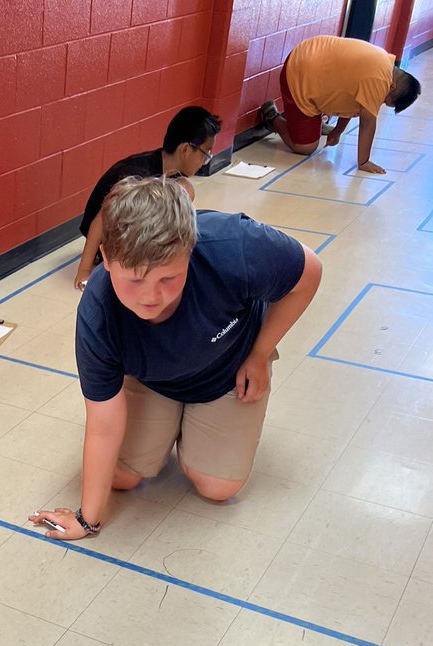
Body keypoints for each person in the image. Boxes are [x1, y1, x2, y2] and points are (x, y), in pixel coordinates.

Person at [29, 177, 322, 541]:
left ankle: (191, 429)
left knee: (217, 488)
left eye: (169, 278)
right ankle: (170, 420)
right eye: (134, 280)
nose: (150, 297)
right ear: (106, 257)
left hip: (229, 368)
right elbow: (103, 424)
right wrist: (88, 520)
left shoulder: (235, 245)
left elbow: (310, 271)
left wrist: (260, 353)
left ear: (190, 248)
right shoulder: (98, 312)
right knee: (121, 478)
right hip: (155, 379)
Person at [73, 106, 221, 290]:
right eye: (205, 154)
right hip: (107, 240)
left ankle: (154, 251)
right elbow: (100, 222)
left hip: (135, 234)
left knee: (185, 190)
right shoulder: (136, 178)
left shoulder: (171, 171)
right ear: (185, 150)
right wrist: (84, 270)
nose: (205, 161)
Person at [260, 34, 421, 175]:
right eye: (385, 101)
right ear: (392, 87)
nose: (381, 103)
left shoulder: (385, 62)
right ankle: (272, 117)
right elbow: (367, 123)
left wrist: (338, 131)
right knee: (305, 147)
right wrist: (364, 161)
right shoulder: (379, 80)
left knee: (318, 130)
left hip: (308, 55)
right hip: (298, 73)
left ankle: (315, 123)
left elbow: (354, 103)